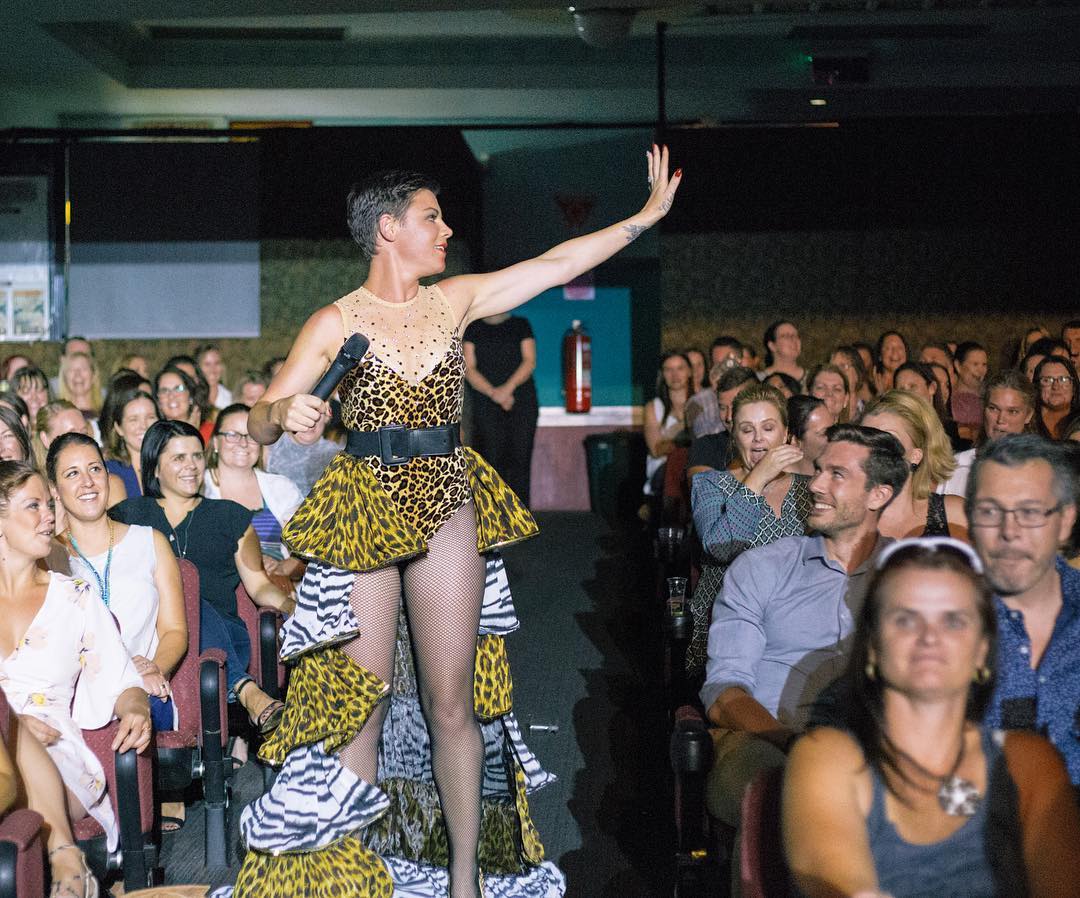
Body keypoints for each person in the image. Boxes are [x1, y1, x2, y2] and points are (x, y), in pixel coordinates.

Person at [236, 150, 680, 898]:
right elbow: (258, 421)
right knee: (363, 707)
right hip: (366, 504)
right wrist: (286, 409)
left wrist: (642, 218)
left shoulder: (456, 300)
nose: (446, 230)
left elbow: (557, 262)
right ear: (387, 228)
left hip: (446, 495)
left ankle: (465, 880)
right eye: (431, 217)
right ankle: (358, 876)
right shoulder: (335, 321)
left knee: (453, 703)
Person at [783, 537, 1080, 898]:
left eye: (953, 621)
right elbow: (841, 885)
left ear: (982, 649)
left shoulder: (1028, 763)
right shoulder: (828, 756)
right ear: (873, 646)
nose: (929, 638)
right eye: (906, 620)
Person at [699, 425, 907, 829]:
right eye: (818, 470)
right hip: (767, 740)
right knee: (790, 792)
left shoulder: (911, 577)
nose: (815, 484)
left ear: (878, 495)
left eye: (837, 474)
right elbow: (724, 691)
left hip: (874, 749)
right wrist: (795, 743)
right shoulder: (763, 567)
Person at [0, 460, 151, 864]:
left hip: (55, 752)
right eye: (34, 506)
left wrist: (137, 706)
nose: (49, 516)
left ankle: (67, 863)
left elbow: (123, 681)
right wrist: (10, 724)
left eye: (49, 505)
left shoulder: (75, 598)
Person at [110, 420, 293, 735]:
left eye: (197, 456)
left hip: (224, 643)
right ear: (155, 467)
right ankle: (248, 692)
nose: (192, 466)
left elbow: (260, 585)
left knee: (188, 595)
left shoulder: (230, 515)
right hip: (153, 639)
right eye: (179, 458)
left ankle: (244, 689)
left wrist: (292, 607)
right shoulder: (128, 516)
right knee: (180, 591)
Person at [47, 433, 186, 734]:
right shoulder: (48, 556)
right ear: (54, 490)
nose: (87, 482)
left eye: (95, 469)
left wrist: (154, 668)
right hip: (74, 694)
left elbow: (174, 630)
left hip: (145, 686)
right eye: (72, 474)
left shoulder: (150, 541)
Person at [967, 434, 1080, 784]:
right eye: (990, 512)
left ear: (1065, 521)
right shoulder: (932, 620)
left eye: (1030, 512)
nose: (1009, 531)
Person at [687, 384, 812, 677]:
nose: (758, 439)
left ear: (786, 434)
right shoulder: (710, 484)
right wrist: (758, 478)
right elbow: (721, 548)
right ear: (734, 436)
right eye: (747, 429)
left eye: (768, 428)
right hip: (727, 630)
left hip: (796, 629)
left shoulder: (810, 489)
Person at [202, 404, 305, 582]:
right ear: (216, 442)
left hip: (278, 586)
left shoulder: (282, 488)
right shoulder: (198, 488)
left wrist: (282, 567)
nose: (243, 443)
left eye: (251, 436)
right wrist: (252, 564)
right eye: (232, 435)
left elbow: (309, 552)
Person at [860, 391, 967, 541]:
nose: (874, 448)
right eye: (866, 438)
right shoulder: (844, 517)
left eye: (888, 439)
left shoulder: (954, 515)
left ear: (916, 455)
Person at [462, 312, 539, 506]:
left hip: (521, 401)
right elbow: (468, 368)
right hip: (486, 402)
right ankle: (494, 517)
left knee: (521, 461)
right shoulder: (473, 328)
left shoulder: (521, 324)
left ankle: (521, 517)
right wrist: (493, 393)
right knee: (491, 460)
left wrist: (507, 389)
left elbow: (529, 361)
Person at [937, 370, 1034, 497]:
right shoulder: (955, 467)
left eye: (1012, 412)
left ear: (1028, 415)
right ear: (983, 409)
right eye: (993, 409)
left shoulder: (1044, 472)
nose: (1001, 420)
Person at [34, 400, 127, 504]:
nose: (81, 440)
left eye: (84, 433)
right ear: (45, 439)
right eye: (71, 435)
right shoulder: (36, 488)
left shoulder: (108, 482)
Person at [686, 365, 757, 478]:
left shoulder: (775, 441)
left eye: (735, 406)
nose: (728, 417)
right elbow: (703, 487)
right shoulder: (706, 446)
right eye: (723, 408)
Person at [644, 350, 692, 496]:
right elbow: (656, 449)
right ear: (662, 374)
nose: (675, 375)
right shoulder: (653, 407)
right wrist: (685, 439)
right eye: (669, 369)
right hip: (663, 470)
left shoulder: (701, 403)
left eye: (680, 368)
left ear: (689, 372)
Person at [104, 387, 160, 499]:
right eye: (133, 419)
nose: (143, 426)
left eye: (150, 417)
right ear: (119, 428)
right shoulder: (109, 472)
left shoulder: (172, 466)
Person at [685, 337, 742, 439]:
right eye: (718, 364)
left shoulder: (756, 395)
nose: (723, 369)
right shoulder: (696, 402)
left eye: (727, 363)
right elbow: (704, 440)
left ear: (740, 362)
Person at [155, 365, 213, 445]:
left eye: (178, 389)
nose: (171, 396)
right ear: (158, 402)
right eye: (164, 391)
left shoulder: (211, 433)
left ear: (191, 397)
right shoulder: (153, 438)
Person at [1032, 354, 1080, 440]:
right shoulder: (1025, 421)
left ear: (1074, 388)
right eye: (1047, 380)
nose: (1056, 386)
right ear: (1037, 387)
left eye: (1063, 379)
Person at [950, 342, 989, 442]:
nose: (980, 370)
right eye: (975, 364)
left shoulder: (990, 395)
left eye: (984, 365)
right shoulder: (949, 397)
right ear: (958, 365)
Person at [786, 395, 834, 477]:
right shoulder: (776, 482)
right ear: (795, 441)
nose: (835, 436)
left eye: (834, 429)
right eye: (824, 433)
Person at [57, 352, 102, 423]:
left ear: (94, 375)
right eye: (71, 369)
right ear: (64, 377)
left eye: (84, 369)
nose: (77, 374)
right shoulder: (56, 416)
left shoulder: (106, 414)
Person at [829, 346, 869, 418]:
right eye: (833, 368)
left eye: (843, 366)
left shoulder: (869, 413)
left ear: (857, 373)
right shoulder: (823, 412)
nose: (837, 372)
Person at [761, 320, 804, 386]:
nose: (794, 340)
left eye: (796, 336)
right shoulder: (758, 379)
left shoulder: (812, 378)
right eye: (786, 336)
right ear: (772, 346)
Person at [196, 344, 234, 410]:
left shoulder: (231, 400)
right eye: (207, 364)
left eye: (217, 363)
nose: (212, 370)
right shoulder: (189, 398)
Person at [871, 330, 909, 395]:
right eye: (888, 348)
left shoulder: (915, 380)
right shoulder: (870, 383)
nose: (895, 352)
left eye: (900, 348)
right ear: (880, 355)